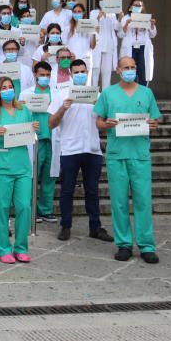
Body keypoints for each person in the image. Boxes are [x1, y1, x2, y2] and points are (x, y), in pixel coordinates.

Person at [93, 57, 162, 263]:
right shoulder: (108, 93)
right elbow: (98, 121)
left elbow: (155, 119)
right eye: (126, 67)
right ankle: (123, 244)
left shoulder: (146, 93)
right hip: (117, 154)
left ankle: (146, 245)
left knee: (142, 200)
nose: (130, 70)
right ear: (118, 70)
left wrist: (153, 124)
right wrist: (107, 124)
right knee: (119, 202)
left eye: (133, 67)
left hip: (139, 154)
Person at [0, 76, 40, 264]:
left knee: (24, 207)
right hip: (0, 168)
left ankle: (21, 247)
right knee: (1, 209)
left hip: (21, 167)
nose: (7, 90)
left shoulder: (24, 111)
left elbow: (30, 134)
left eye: (10, 87)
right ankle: (3, 247)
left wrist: (34, 128)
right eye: (3, 88)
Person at [49, 58, 112, 243]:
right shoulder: (62, 94)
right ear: (70, 74)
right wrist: (63, 108)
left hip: (92, 149)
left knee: (92, 190)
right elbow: (51, 123)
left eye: (82, 71)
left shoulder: (97, 95)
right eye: (76, 72)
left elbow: (103, 124)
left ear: (87, 72)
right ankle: (66, 225)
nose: (80, 75)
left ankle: (95, 226)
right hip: (70, 149)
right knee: (67, 189)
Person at [19, 61, 56, 222]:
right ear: (35, 75)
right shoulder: (26, 94)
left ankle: (46, 210)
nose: (45, 78)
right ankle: (32, 209)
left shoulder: (56, 93)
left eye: (48, 75)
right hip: (34, 139)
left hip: (52, 137)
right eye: (42, 75)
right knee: (33, 175)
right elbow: (21, 115)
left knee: (50, 175)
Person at [119, 0, 157, 86]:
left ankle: (143, 94)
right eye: (135, 5)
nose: (137, 7)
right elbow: (120, 34)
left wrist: (152, 25)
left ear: (142, 7)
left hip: (143, 48)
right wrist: (126, 25)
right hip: (130, 48)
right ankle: (132, 93)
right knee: (131, 72)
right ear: (130, 7)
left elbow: (153, 34)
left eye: (139, 6)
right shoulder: (126, 18)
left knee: (143, 72)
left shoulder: (146, 18)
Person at [89, 0, 121, 90]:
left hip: (108, 45)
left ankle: (105, 95)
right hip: (97, 44)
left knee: (106, 73)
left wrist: (120, 17)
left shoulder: (112, 14)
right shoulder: (93, 12)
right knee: (95, 70)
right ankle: (93, 96)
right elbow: (91, 26)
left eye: (105, 0)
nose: (103, 2)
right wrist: (99, 16)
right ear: (98, 1)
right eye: (101, 0)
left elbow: (116, 27)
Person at [65, 2, 97, 70]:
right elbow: (64, 44)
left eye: (79, 11)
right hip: (72, 60)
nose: (77, 14)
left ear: (83, 13)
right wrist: (69, 54)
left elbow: (92, 46)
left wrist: (93, 32)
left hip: (85, 60)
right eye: (75, 12)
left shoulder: (89, 26)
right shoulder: (67, 28)